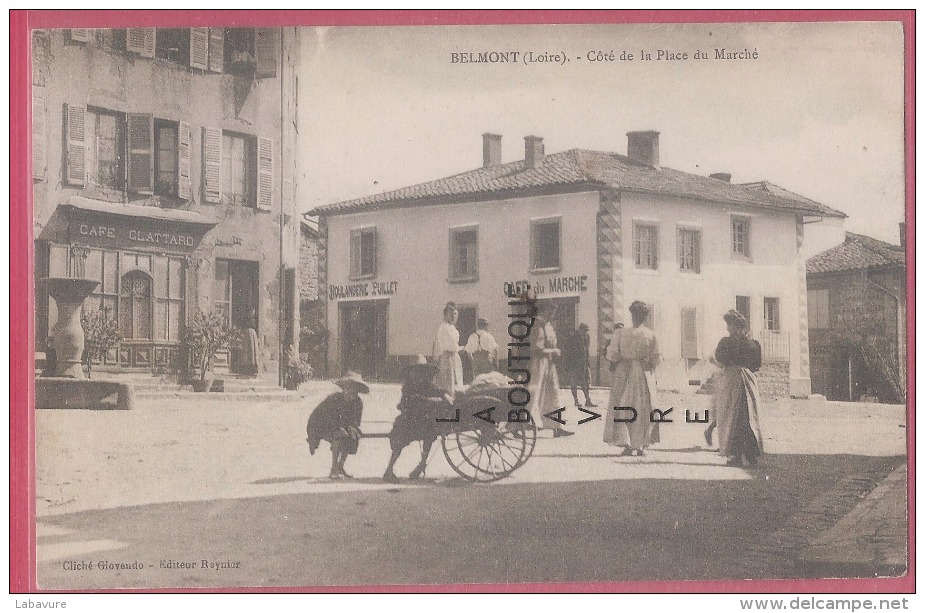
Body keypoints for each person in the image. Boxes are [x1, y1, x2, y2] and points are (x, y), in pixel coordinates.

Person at [603, 301, 660, 456]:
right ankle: (640, 444)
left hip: (624, 372)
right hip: (642, 373)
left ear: (632, 315)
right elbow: (656, 358)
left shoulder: (620, 333)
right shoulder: (651, 334)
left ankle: (626, 443)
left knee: (623, 405)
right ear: (645, 317)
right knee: (642, 407)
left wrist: (619, 359)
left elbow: (612, 355)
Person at [712, 310, 764, 467]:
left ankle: (735, 454)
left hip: (732, 380)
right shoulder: (754, 344)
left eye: (730, 325)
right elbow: (756, 365)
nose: (728, 329)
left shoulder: (726, 343)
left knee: (731, 417)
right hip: (748, 381)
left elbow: (720, 358)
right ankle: (751, 454)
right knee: (746, 417)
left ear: (736, 327)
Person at [305, 371, 369, 479]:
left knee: (353, 437)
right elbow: (326, 417)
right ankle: (333, 468)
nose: (350, 392)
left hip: (341, 426)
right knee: (338, 437)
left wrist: (352, 428)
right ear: (344, 389)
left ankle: (340, 466)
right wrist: (339, 428)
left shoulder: (358, 402)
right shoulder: (334, 399)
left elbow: (356, 420)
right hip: (320, 424)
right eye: (347, 388)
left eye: (354, 389)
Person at [528, 301, 575, 438]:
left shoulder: (548, 326)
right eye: (550, 311)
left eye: (553, 312)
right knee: (533, 393)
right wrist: (553, 350)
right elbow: (535, 348)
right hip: (538, 363)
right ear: (543, 311)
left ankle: (556, 426)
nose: (553, 314)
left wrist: (552, 352)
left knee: (553, 394)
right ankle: (517, 424)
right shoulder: (536, 325)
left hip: (549, 363)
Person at [433, 302, 464, 397]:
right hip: (448, 357)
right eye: (451, 314)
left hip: (454, 357)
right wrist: (461, 348)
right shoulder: (444, 327)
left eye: (455, 314)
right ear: (445, 315)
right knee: (448, 383)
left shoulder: (452, 327)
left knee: (456, 381)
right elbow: (452, 345)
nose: (453, 316)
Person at [563, 323, 596, 408]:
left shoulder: (587, 337)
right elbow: (567, 350)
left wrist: (587, 362)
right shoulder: (572, 337)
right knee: (573, 382)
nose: (585, 332)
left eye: (587, 331)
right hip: (573, 363)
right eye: (584, 330)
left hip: (583, 362)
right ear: (580, 330)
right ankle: (576, 401)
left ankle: (588, 400)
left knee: (586, 382)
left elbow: (586, 350)